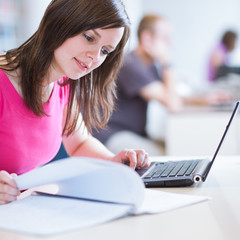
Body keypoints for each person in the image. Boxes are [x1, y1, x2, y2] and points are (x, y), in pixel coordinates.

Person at [0, 0, 150, 205]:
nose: (94, 57)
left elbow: (79, 143)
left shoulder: (63, 82)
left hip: (22, 212)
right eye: (89, 38)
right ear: (60, 21)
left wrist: (113, 162)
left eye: (105, 51)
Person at [93, 14, 182, 155]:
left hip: (130, 133)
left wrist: (204, 100)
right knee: (170, 153)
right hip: (112, 135)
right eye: (165, 38)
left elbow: (168, 94)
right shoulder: (130, 65)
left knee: (174, 146)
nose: (170, 44)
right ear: (147, 39)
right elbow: (173, 103)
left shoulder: (148, 65)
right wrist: (167, 63)